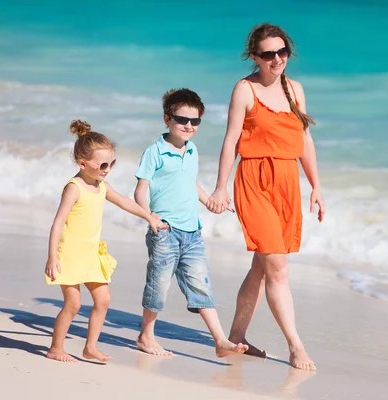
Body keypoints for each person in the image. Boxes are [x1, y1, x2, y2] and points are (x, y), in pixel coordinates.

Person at [207, 23, 325, 370]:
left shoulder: (295, 90)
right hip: (255, 179)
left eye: (282, 52)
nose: (277, 59)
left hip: (288, 180)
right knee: (278, 266)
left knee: (262, 266)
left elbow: (304, 141)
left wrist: (316, 185)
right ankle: (295, 346)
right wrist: (220, 186)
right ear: (255, 57)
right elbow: (230, 140)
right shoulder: (244, 90)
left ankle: (235, 337)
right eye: (269, 54)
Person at [134, 88, 249, 358]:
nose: (188, 126)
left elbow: (189, 182)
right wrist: (148, 216)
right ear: (167, 119)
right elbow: (141, 188)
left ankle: (220, 341)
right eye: (182, 120)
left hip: (192, 231)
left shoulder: (192, 150)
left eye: (194, 121)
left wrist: (208, 200)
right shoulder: (155, 152)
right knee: (158, 284)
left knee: (201, 285)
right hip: (164, 231)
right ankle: (146, 335)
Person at [44, 119, 163, 363]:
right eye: (104, 164)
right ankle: (56, 348)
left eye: (112, 163)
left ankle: (90, 347)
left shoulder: (102, 186)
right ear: (82, 163)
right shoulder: (74, 188)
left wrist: (148, 216)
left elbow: (125, 202)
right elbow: (57, 223)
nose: (108, 168)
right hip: (68, 255)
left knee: (103, 300)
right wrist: (52, 257)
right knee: (73, 304)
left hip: (90, 254)